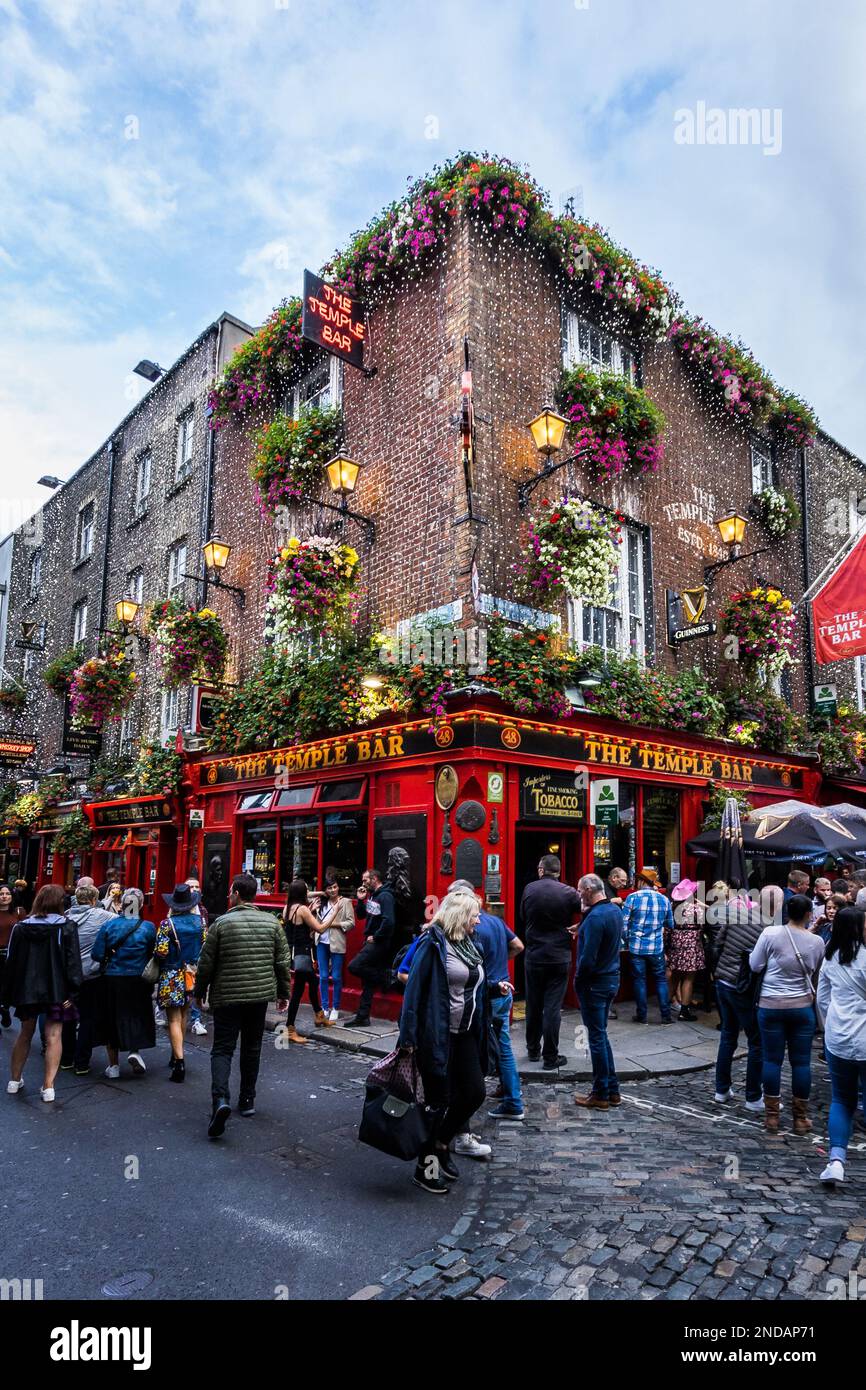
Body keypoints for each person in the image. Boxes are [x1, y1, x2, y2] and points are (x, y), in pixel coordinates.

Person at [398, 891, 488, 1195]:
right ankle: (427, 1168)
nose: (478, 919)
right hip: (438, 1035)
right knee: (438, 1102)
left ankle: (441, 1142)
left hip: (466, 1034)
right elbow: (414, 991)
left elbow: (473, 984)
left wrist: (497, 989)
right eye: (474, 914)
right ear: (460, 916)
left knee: (475, 1092)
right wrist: (407, 1037)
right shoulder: (433, 944)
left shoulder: (469, 944)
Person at [194, 873, 291, 1138]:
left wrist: (199, 992)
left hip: (227, 997)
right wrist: (284, 992)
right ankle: (247, 1100)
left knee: (223, 1049)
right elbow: (282, 962)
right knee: (252, 1048)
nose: (228, 896)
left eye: (230, 892)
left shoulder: (221, 924)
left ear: (236, 893)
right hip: (258, 997)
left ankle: (220, 1100)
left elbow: (206, 964)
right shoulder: (272, 923)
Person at [449, 879, 525, 1125]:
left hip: (484, 996)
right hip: (503, 988)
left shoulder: (468, 927)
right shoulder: (495, 920)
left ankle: (512, 1101)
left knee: (488, 1047)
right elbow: (518, 946)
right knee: (500, 1042)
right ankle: (506, 1090)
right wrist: (501, 963)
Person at [749, 892, 825, 1133]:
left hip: (770, 1003)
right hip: (801, 1006)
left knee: (772, 1060)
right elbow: (816, 973)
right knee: (801, 1063)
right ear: (808, 914)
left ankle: (772, 1117)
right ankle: (800, 1119)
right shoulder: (817, 942)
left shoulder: (770, 933)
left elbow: (755, 965)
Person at [2, 884, 82, 1103]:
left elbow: (12, 962)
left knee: (25, 1034)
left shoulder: (21, 927)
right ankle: (48, 1087)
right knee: (54, 1036)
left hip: (27, 989)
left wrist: (8, 993)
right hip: (56, 990)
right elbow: (72, 962)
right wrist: (73, 992)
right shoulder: (66, 926)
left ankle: (14, 1080)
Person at [816, 906, 866, 1184]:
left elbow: (822, 999)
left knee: (842, 1100)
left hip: (838, 1038)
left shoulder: (830, 956)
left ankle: (836, 1160)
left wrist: (829, 1027)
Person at [520, 854, 580, 1070]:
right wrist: (579, 927)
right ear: (559, 871)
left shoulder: (529, 889)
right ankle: (550, 1057)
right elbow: (588, 910)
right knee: (552, 1008)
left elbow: (523, 917)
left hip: (535, 954)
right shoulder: (569, 892)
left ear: (541, 869)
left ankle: (533, 1050)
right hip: (559, 955)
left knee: (533, 1005)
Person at [90, 888, 156, 1079]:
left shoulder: (110, 926)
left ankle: (113, 1066)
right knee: (136, 1014)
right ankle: (134, 1051)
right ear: (141, 904)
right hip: (138, 978)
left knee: (112, 1017)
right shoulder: (148, 927)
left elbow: (97, 954)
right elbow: (152, 953)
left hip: (113, 977)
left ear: (122, 905)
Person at [711, 889, 765, 1111]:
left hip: (722, 981)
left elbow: (718, 941)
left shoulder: (736, 916)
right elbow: (761, 964)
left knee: (728, 1036)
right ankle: (753, 1097)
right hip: (742, 987)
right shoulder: (769, 928)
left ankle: (721, 1090)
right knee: (756, 1041)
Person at [573, 874, 623, 1109]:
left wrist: (578, 980)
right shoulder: (613, 911)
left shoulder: (595, 918)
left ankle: (601, 1092)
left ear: (590, 889)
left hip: (594, 983)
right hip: (611, 978)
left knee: (595, 1038)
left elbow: (588, 959)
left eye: (580, 890)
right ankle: (612, 1090)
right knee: (601, 1035)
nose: (578, 894)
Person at [154, 883, 207, 1083]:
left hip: (171, 974)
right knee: (184, 1014)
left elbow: (161, 951)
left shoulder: (167, 924)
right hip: (191, 974)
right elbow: (205, 946)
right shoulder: (200, 922)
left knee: (173, 1019)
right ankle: (177, 1053)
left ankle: (179, 1061)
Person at [64, 883, 113, 1075]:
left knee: (68, 1017)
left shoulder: (65, 916)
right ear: (94, 900)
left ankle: (66, 1058)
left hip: (68, 975)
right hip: (92, 975)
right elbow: (123, 921)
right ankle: (82, 1062)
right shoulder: (102, 916)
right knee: (87, 1018)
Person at [346, 867, 397, 1027]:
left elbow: (389, 921)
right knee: (367, 982)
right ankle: (363, 1016)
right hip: (371, 941)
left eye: (365, 880)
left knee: (354, 966)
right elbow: (361, 915)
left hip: (378, 943)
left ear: (374, 879)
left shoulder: (386, 896)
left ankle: (385, 977)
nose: (363, 883)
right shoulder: (373, 896)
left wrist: (376, 936)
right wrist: (361, 899)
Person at [622, 868, 674, 1024]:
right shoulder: (664, 899)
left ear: (642, 881)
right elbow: (670, 923)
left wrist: (628, 939)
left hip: (636, 948)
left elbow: (623, 926)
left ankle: (642, 1016)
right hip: (656, 947)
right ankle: (666, 1016)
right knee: (661, 980)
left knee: (639, 980)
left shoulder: (632, 898)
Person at [282, 880, 331, 1042]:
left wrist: (319, 893)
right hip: (303, 955)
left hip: (293, 953)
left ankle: (319, 1015)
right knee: (298, 991)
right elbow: (320, 928)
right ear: (302, 893)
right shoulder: (303, 909)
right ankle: (290, 1028)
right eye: (307, 890)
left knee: (313, 982)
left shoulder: (287, 907)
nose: (309, 892)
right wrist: (336, 911)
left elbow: (305, 895)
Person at [315, 876, 355, 1022]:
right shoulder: (321, 902)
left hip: (337, 942)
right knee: (323, 976)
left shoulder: (345, 902)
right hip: (321, 942)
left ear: (338, 887)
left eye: (335, 887)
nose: (332, 890)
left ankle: (336, 1007)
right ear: (325, 890)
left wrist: (334, 924)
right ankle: (325, 1007)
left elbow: (351, 923)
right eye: (329, 888)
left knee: (337, 977)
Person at [666, 879, 705, 1022]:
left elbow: (668, 927)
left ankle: (665, 1008)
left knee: (674, 976)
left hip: (676, 944)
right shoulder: (696, 909)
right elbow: (701, 927)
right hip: (691, 945)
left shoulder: (672, 907)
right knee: (689, 978)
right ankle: (684, 1011)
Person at [185, 877, 209, 1037]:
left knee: (194, 988)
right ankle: (162, 1006)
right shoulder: (179, 908)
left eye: (197, 886)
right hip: (182, 955)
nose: (195, 889)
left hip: (198, 954)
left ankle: (196, 1021)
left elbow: (205, 931)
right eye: (191, 887)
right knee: (187, 989)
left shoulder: (203, 910)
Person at [0, 883, 23, 1030]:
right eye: (1, 894)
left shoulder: (19, 912)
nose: (4, 896)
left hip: (11, 955)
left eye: (7, 894)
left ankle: (4, 1008)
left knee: (7, 986)